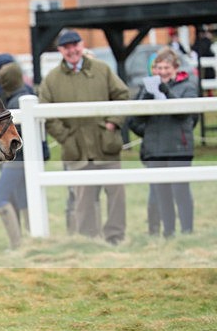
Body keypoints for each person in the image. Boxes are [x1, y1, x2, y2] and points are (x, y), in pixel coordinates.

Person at [38, 30, 130, 245]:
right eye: (66, 47)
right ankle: (88, 240)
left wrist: (112, 123)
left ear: (81, 45)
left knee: (117, 195)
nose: (72, 50)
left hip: (105, 146)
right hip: (77, 151)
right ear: (60, 50)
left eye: (75, 45)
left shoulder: (102, 70)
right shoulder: (51, 79)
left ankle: (115, 237)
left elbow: (122, 95)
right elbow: (46, 114)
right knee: (83, 199)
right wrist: (66, 138)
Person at [128, 47, 197, 238]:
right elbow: (134, 120)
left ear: (175, 68)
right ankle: (168, 232)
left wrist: (166, 92)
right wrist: (147, 100)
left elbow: (186, 114)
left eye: (166, 67)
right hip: (155, 149)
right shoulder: (145, 88)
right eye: (158, 68)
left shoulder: (187, 87)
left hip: (178, 148)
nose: (162, 72)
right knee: (162, 194)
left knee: (181, 192)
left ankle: (187, 230)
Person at [0, 60, 34, 248]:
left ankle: (16, 244)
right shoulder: (26, 95)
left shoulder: (16, 103)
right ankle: (31, 239)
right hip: (26, 160)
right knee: (24, 198)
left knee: (0, 197)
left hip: (17, 161)